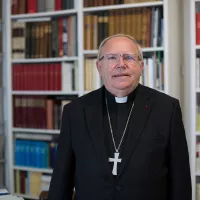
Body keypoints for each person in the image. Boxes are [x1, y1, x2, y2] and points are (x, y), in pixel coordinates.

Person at [48, 34, 191, 200]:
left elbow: (180, 179)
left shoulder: (167, 108)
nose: (121, 64)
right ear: (99, 67)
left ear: (141, 66)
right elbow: (61, 179)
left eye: (129, 57)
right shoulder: (75, 111)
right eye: (112, 58)